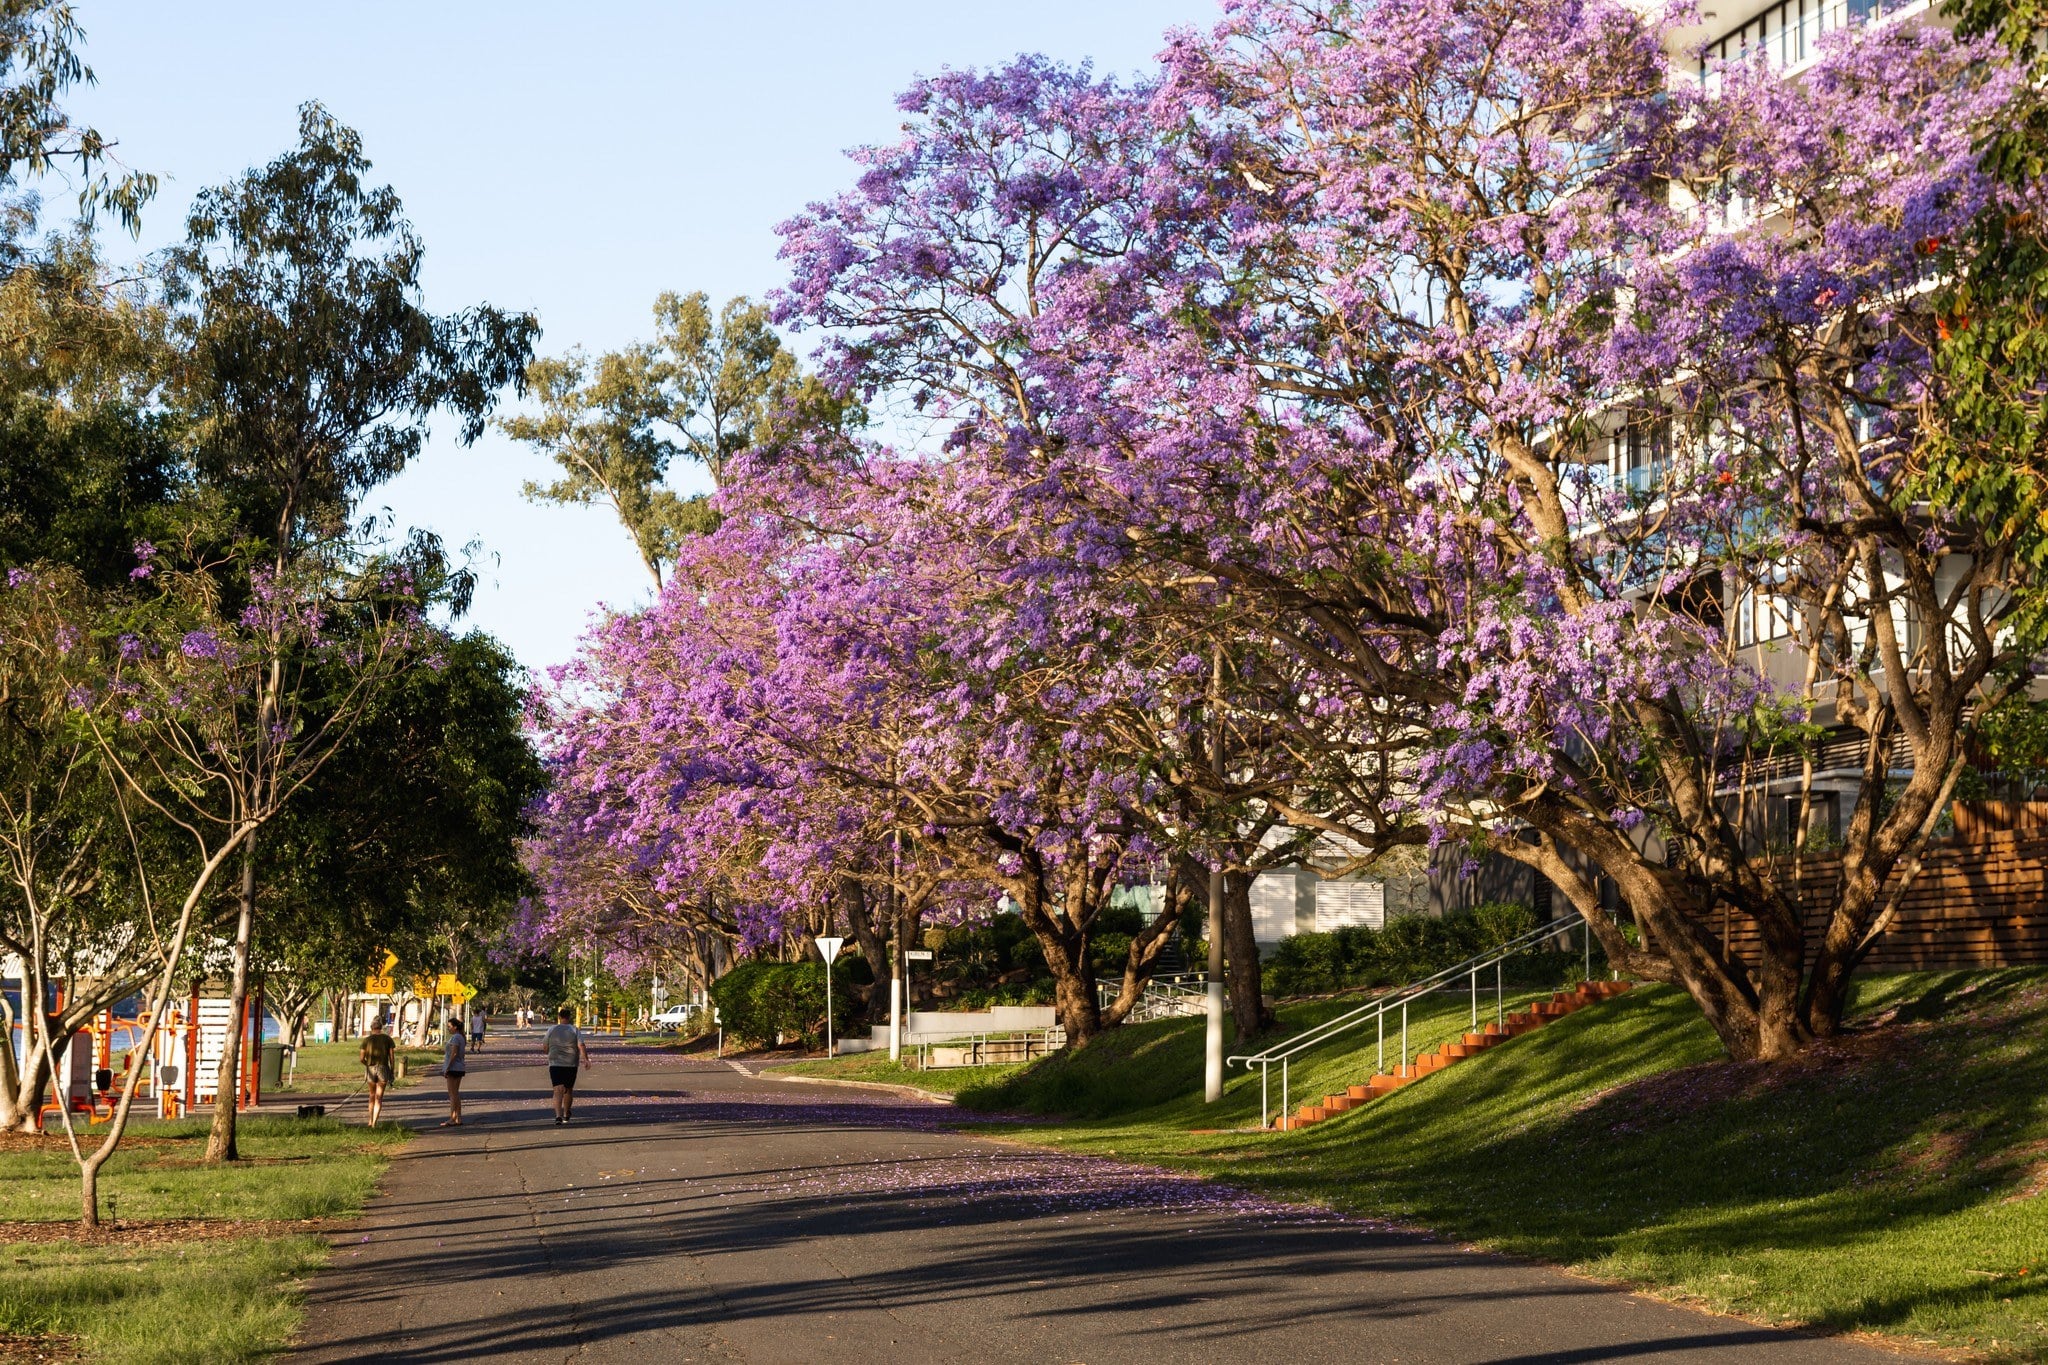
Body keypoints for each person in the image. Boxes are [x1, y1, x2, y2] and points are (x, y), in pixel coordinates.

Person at [542, 1005, 589, 1126]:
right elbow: (581, 1045)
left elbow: (545, 1047)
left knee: (557, 1090)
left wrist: (549, 1053)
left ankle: (558, 1116)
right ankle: (566, 1113)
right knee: (568, 1090)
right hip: (571, 1063)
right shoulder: (574, 1029)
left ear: (559, 1017)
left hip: (555, 1062)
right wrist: (586, 1059)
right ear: (569, 1017)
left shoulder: (551, 1029)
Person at [359, 1017, 395, 1127]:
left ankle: (370, 1120)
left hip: (370, 1068)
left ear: (371, 1028)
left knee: (371, 1095)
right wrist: (392, 1070)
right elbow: (392, 1057)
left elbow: (361, 1058)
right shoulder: (388, 1039)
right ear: (381, 1027)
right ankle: (375, 1122)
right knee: (379, 1097)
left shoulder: (366, 1040)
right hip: (383, 1068)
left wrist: (368, 1065)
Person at [440, 1018, 467, 1126]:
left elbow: (454, 1053)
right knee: (456, 1093)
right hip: (459, 1067)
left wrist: (448, 1067)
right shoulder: (461, 1037)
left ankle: (452, 1117)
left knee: (452, 1094)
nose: (448, 1029)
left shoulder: (455, 1038)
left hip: (454, 1068)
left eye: (449, 1026)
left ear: (455, 1027)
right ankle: (458, 1117)